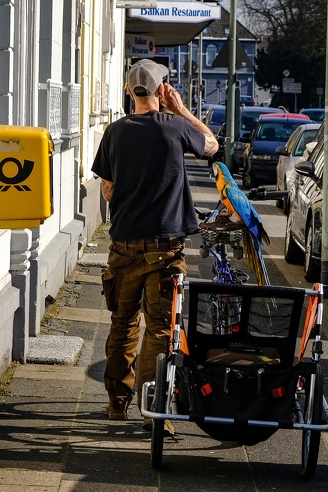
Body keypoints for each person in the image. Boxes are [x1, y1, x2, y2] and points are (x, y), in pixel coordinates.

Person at [91, 59, 218, 435]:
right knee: (161, 329)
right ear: (162, 91)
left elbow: (108, 188)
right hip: (166, 249)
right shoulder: (177, 127)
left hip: (125, 246)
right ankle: (154, 411)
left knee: (122, 323)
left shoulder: (114, 132)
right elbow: (211, 146)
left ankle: (117, 404)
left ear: (130, 92)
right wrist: (183, 110)